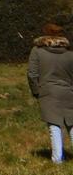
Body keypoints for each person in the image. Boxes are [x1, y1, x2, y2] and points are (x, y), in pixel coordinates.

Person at [29, 21, 73, 164]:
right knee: (72, 125)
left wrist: (36, 91)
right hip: (68, 92)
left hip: (47, 92)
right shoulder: (69, 53)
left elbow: (32, 74)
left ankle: (57, 160)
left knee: (54, 125)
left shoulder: (37, 51)